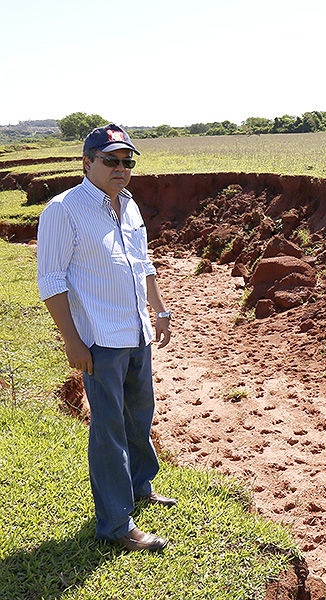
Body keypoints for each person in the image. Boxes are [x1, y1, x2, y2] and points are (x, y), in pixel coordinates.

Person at [37, 124, 176, 552]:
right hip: (98, 336)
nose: (121, 168)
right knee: (109, 428)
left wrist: (160, 309)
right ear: (87, 161)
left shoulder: (129, 207)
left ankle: (139, 486)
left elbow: (143, 264)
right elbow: (51, 280)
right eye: (111, 160)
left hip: (136, 330)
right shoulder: (64, 210)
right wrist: (72, 340)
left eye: (127, 161)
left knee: (140, 413)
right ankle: (116, 525)